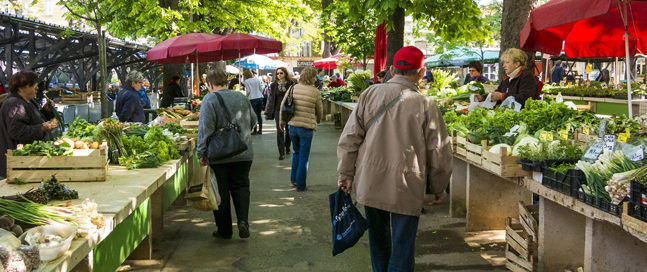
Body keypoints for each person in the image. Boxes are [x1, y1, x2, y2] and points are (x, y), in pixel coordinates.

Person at [337, 46, 453, 272]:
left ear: (391, 69)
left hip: (370, 180)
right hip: (406, 184)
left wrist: (345, 174)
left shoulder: (369, 95)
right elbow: (439, 151)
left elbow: (349, 139)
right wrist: (439, 188)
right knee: (403, 247)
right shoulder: (426, 104)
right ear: (421, 72)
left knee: (378, 244)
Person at [197, 68, 257, 240]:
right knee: (241, 187)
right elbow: (253, 120)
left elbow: (205, 129)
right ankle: (243, 222)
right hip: (244, 151)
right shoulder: (241, 96)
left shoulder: (210, 99)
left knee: (220, 192)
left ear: (209, 84)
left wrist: (201, 152)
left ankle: (224, 230)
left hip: (219, 154)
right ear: (226, 81)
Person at [0, 70, 59, 178]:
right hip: (19, 163)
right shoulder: (15, 104)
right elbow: (17, 131)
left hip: (25, 161)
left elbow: (32, 120)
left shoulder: (26, 101)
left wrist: (46, 111)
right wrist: (42, 128)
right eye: (33, 85)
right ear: (21, 88)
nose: (37, 87)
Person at [278, 67, 322, 192]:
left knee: (296, 153)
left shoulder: (293, 88)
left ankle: (294, 179)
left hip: (292, 126)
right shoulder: (315, 92)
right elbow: (319, 110)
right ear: (312, 77)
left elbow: (283, 105)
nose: (316, 78)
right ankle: (301, 185)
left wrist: (282, 121)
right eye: (315, 76)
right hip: (306, 128)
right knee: (304, 156)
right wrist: (318, 120)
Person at [265, 67, 295, 160]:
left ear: (285, 73)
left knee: (289, 130)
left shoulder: (291, 84)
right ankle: (281, 152)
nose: (279, 75)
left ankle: (287, 147)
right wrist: (268, 111)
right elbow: (270, 98)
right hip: (278, 110)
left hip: (289, 109)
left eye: (281, 73)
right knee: (280, 130)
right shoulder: (274, 85)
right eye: (277, 74)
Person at [243, 70, 264, 135]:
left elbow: (248, 91)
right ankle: (260, 130)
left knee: (253, 115)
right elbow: (261, 88)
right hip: (260, 97)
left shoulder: (246, 81)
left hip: (252, 98)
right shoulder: (257, 79)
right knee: (259, 114)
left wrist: (246, 97)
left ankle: (255, 130)